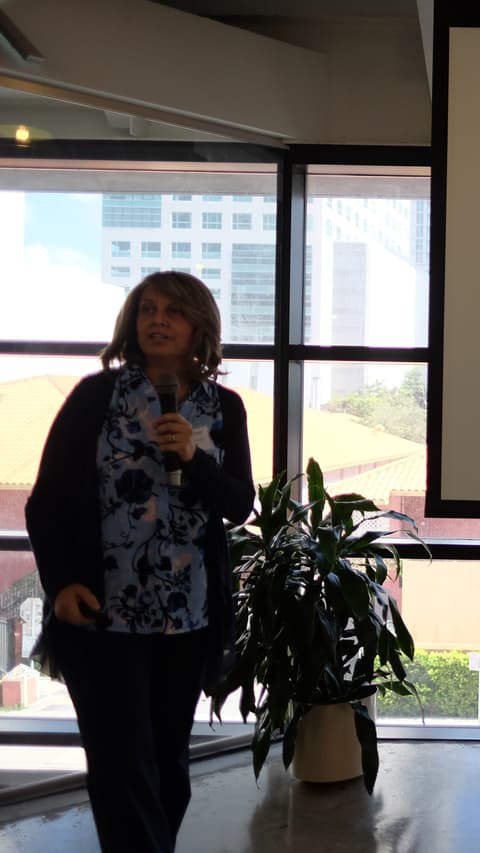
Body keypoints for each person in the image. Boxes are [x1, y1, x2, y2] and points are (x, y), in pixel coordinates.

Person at [25, 271, 253, 853]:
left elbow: (238, 504)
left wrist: (193, 458)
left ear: (198, 326)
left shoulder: (223, 407)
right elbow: (45, 502)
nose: (158, 320)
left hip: (187, 616)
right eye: (148, 309)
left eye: (173, 311)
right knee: (119, 765)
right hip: (102, 613)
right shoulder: (94, 398)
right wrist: (60, 584)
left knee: (167, 765)